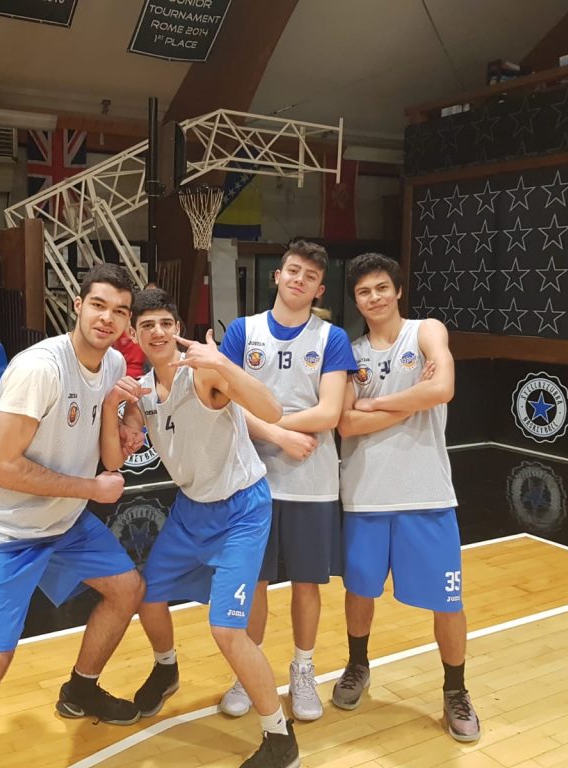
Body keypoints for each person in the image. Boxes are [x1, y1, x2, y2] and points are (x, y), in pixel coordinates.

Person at [0, 264, 147, 768]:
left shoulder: (111, 363)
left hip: (61, 519)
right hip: (0, 527)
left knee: (127, 589)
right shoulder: (40, 369)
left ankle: (80, 690)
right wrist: (91, 488)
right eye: (98, 305)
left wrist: (130, 415)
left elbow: (124, 399)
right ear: (77, 306)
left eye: (119, 311)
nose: (107, 318)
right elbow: (1, 467)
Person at [126, 289, 301, 768]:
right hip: (191, 510)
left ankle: (280, 739)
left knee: (227, 630)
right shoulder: (141, 393)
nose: (158, 332)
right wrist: (117, 414)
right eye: (147, 325)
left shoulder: (204, 373)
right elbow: (118, 448)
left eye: (165, 322)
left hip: (241, 510)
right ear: (135, 335)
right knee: (145, 595)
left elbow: (271, 410)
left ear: (178, 328)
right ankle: (166, 670)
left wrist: (223, 363)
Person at [334, 252, 480, 743]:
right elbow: (345, 423)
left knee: (448, 602)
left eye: (381, 287)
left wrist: (374, 402)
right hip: (364, 495)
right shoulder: (349, 352)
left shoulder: (426, 331)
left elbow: (443, 388)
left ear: (397, 290)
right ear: (356, 301)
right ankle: (358, 665)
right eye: (363, 292)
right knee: (360, 592)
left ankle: (455, 690)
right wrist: (409, 402)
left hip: (427, 493)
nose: (373, 297)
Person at [216, 240, 355, 721]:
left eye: (310, 276)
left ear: (319, 289)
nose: (299, 279)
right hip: (251, 481)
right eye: (293, 270)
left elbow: (330, 412)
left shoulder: (331, 338)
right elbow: (225, 404)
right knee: (253, 582)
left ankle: (303, 670)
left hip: (312, 481)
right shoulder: (243, 331)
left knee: (306, 583)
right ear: (277, 276)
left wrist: (272, 425)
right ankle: (248, 671)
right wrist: (277, 432)